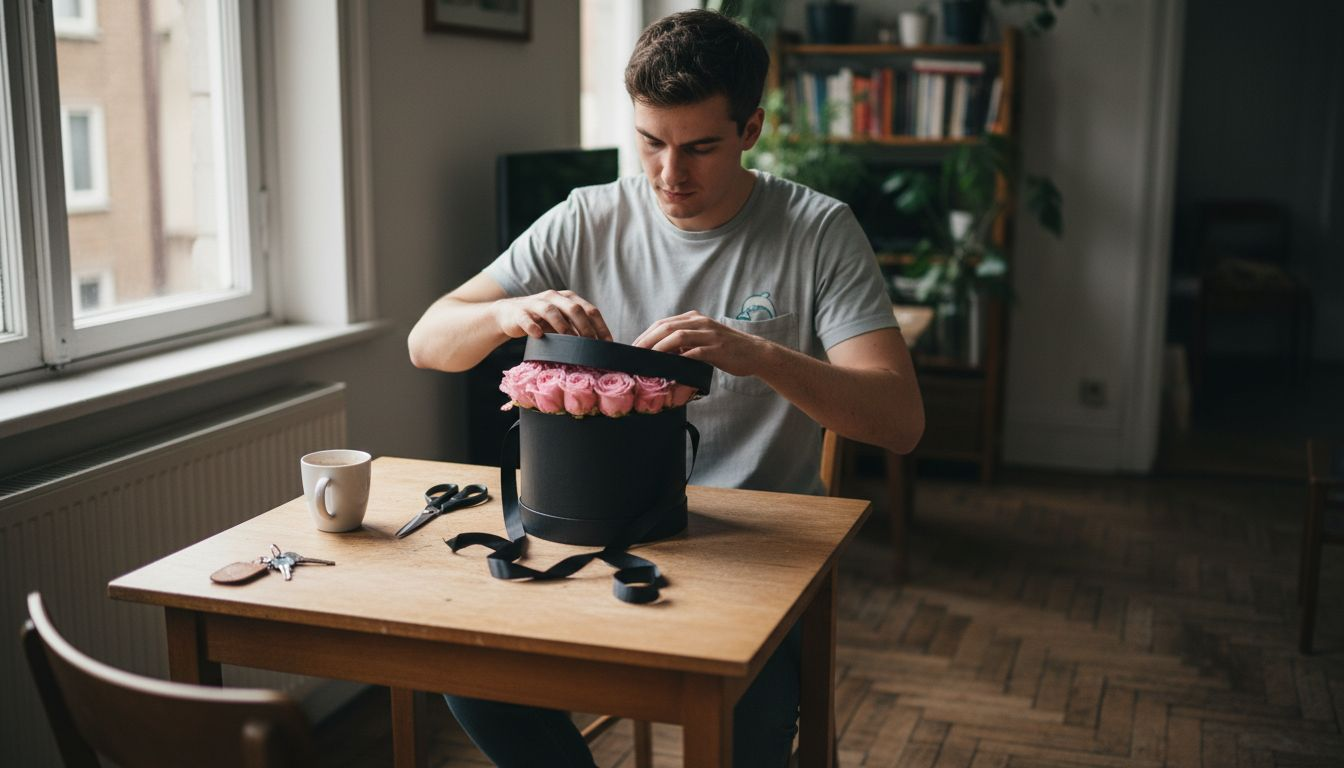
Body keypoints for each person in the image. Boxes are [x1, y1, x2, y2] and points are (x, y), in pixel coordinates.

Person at [408, 9, 923, 767]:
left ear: (750, 129)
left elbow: (900, 421)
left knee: (751, 724)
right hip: (595, 534)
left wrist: (762, 356)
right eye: (650, 142)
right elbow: (428, 343)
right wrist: (506, 312)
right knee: (469, 676)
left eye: (700, 147)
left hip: (754, 551)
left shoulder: (818, 231)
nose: (669, 175)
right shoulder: (586, 218)